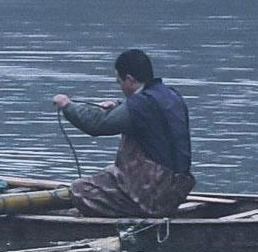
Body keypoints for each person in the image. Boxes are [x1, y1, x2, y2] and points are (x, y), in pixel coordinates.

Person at [53, 50, 195, 217]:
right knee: (108, 172)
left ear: (129, 80)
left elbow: (97, 125)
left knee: (79, 189)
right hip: (175, 191)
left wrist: (67, 106)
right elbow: (149, 114)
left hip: (150, 195)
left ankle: (137, 211)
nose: (119, 86)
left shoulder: (139, 106)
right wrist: (118, 105)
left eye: (119, 81)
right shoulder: (171, 96)